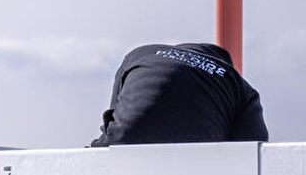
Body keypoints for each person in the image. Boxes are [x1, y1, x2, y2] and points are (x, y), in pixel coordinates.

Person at [90, 42, 268, 146]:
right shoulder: (237, 83)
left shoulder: (139, 54)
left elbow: (113, 113)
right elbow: (253, 148)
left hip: (124, 139)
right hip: (201, 154)